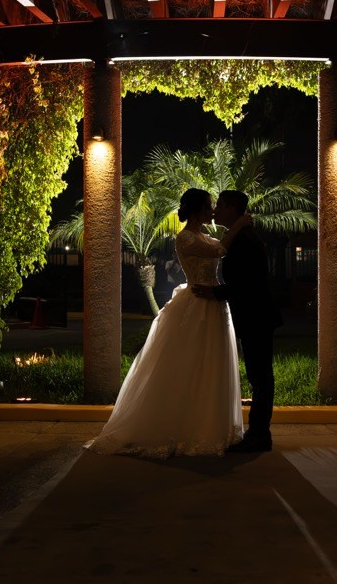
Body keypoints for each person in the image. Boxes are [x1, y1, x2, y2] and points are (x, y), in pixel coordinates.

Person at [87, 188, 252, 458]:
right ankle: (183, 427)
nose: (212, 210)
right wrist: (241, 224)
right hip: (198, 303)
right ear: (198, 209)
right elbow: (220, 250)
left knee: (211, 365)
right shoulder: (185, 237)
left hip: (214, 306)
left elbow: (218, 247)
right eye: (209, 205)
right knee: (190, 363)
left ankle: (207, 424)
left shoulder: (204, 236)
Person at [193, 190, 280, 453]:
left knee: (261, 377)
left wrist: (215, 292)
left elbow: (246, 283)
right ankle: (259, 433)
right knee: (259, 375)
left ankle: (259, 435)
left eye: (219, 205)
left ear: (232, 209)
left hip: (257, 317)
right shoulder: (240, 236)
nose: (216, 211)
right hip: (255, 317)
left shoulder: (245, 240)